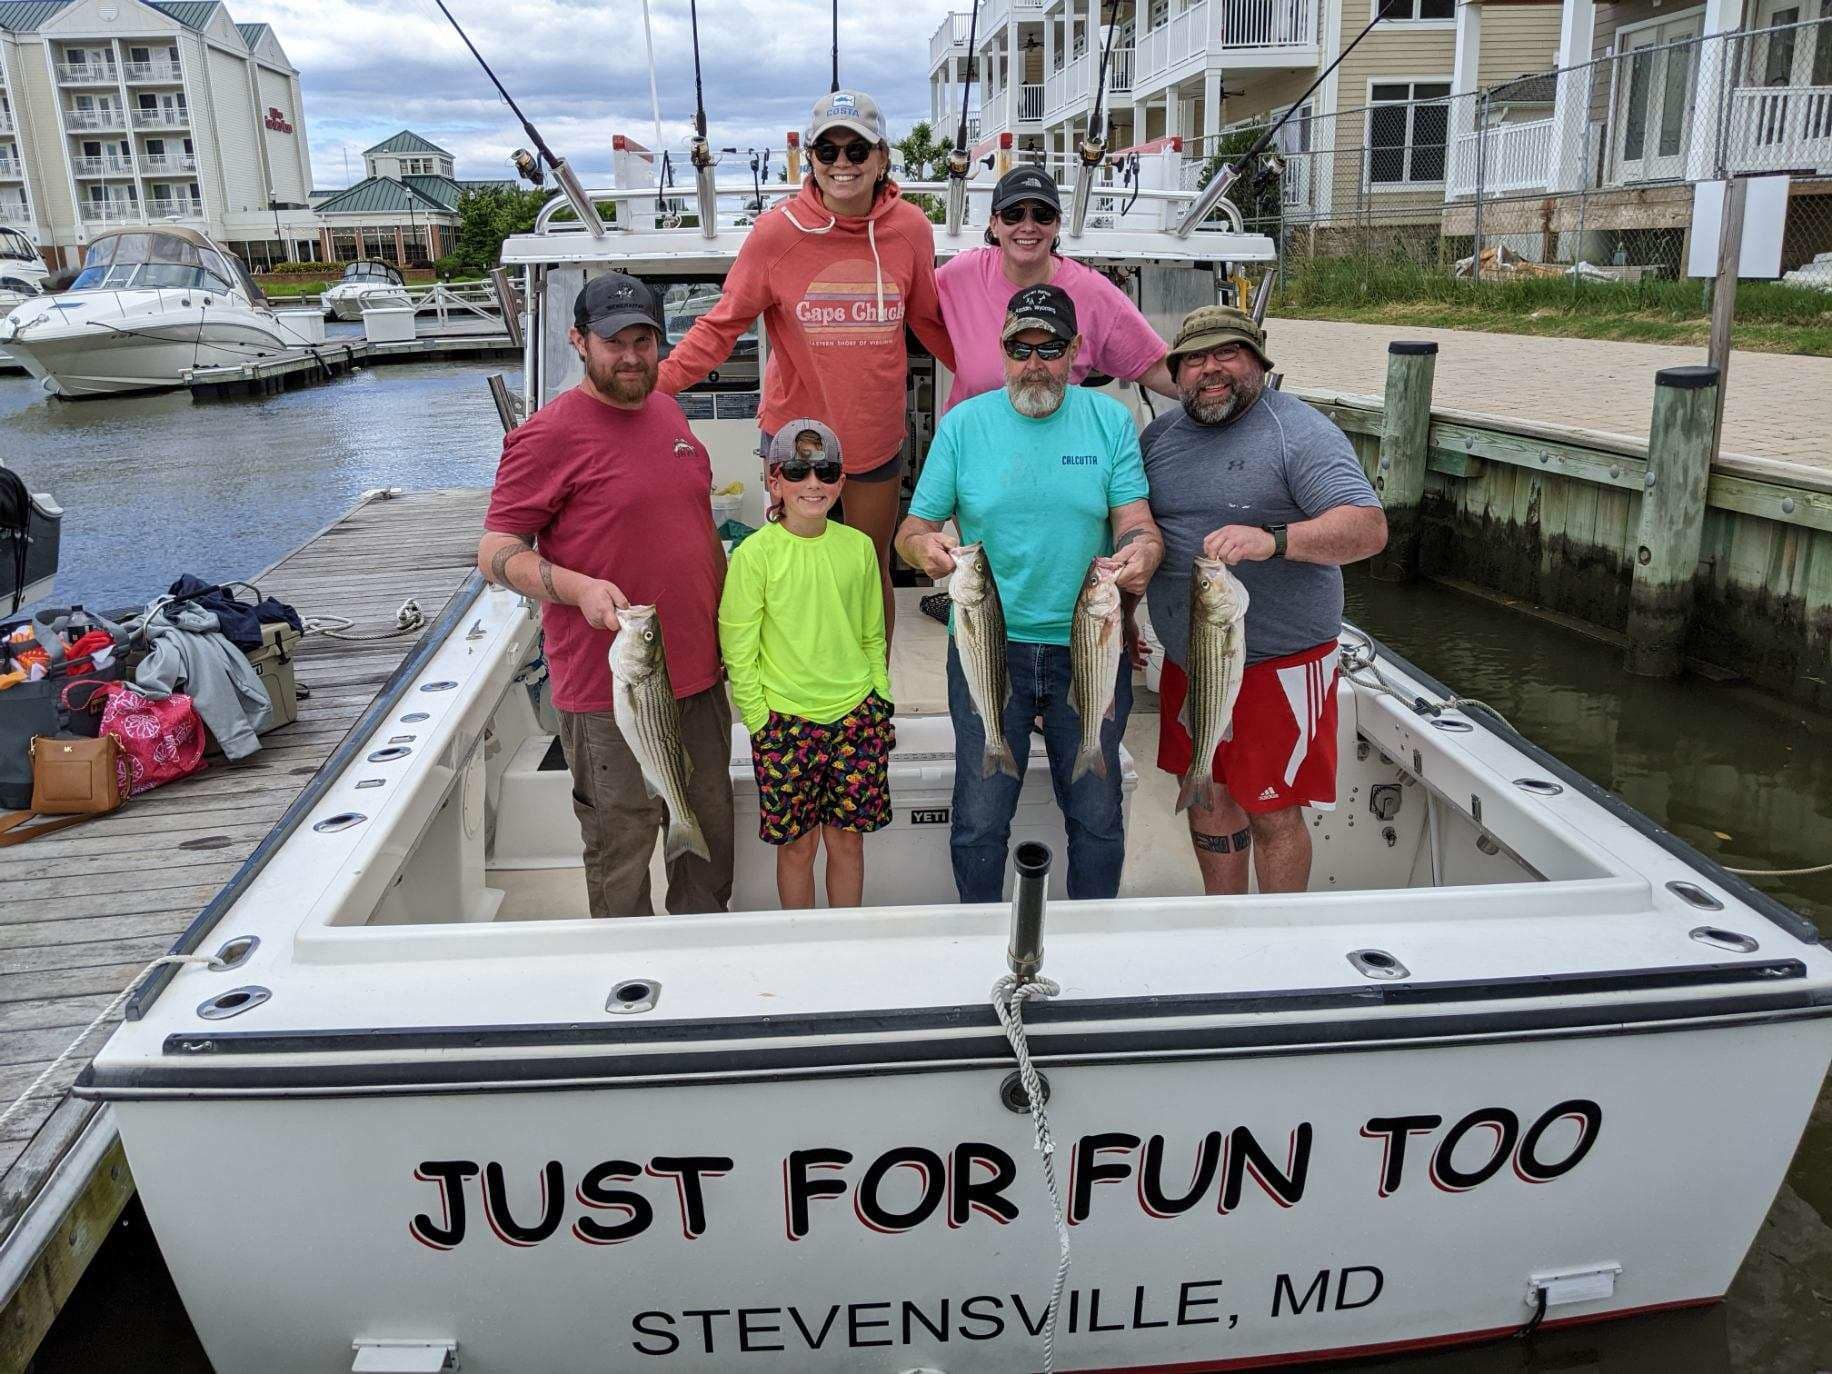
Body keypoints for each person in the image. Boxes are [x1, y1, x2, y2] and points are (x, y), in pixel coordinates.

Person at [477, 272, 734, 918]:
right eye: (614, 341)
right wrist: (576, 587)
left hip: (698, 681)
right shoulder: (546, 435)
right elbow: (495, 552)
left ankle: (704, 971)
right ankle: (631, 987)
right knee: (621, 850)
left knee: (708, 849)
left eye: (644, 340)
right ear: (578, 341)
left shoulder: (669, 411)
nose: (630, 355)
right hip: (608, 693)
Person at [659, 89, 955, 647]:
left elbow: (928, 319)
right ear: (812, 160)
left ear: (882, 157)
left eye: (857, 150)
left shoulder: (912, 228)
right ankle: (796, 697)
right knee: (792, 575)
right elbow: (723, 324)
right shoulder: (776, 232)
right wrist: (656, 386)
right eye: (828, 150)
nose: (843, 164)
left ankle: (873, 700)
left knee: (869, 576)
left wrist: (993, 376)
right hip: (794, 441)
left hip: (875, 439)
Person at [896, 283, 1163, 902]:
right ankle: (980, 930)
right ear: (1002, 349)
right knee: (980, 817)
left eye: (1050, 348)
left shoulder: (1109, 421)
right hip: (990, 646)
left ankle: (1093, 932)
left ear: (1076, 352)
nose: (1034, 362)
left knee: (1097, 813)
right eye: (1021, 347)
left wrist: (1144, 550)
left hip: (1088, 646)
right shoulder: (963, 424)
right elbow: (914, 528)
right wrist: (923, 551)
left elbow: (1136, 521)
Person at [1141, 305, 1387, 897]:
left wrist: (1274, 540)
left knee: (1273, 810)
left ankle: (1280, 939)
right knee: (1208, 798)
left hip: (1277, 667)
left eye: (1228, 354)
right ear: (1176, 372)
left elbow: (1367, 529)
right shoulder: (1159, 438)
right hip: (1189, 661)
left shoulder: (1298, 432)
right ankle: (1221, 922)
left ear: (1258, 362)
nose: (1211, 370)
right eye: (1195, 359)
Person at [719, 420, 894, 910]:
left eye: (826, 471)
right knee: (798, 847)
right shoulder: (753, 555)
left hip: (857, 716)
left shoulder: (858, 547)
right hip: (785, 723)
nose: (812, 484)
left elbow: (870, 634)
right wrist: (759, 719)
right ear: (774, 481)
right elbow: (739, 647)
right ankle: (803, 947)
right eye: (796, 471)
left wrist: (879, 697)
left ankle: (847, 944)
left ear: (841, 482)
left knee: (848, 842)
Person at [935, 165, 1176, 412]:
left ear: (1057, 224)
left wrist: (1212, 392)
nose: (1028, 226)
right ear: (994, 224)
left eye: (1042, 214)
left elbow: (1156, 367)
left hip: (1055, 445)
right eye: (1013, 214)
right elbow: (906, 301)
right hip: (973, 442)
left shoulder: (1093, 292)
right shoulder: (961, 274)